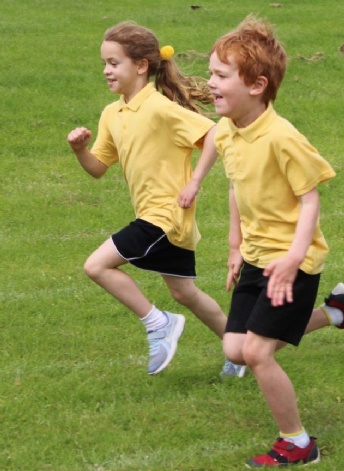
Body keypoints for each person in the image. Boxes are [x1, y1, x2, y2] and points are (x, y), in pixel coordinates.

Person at [208, 15, 344, 467]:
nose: (210, 83)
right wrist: (233, 245)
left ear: (257, 85)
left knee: (258, 353)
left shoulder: (283, 138)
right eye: (211, 73)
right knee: (234, 347)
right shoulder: (227, 131)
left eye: (221, 76)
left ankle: (298, 443)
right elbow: (235, 187)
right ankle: (337, 313)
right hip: (255, 256)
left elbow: (309, 199)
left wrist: (294, 257)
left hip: (291, 262)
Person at [67, 21, 245, 377]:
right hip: (158, 218)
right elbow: (99, 167)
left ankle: (157, 323)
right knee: (185, 293)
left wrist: (195, 181)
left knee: (96, 265)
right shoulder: (112, 113)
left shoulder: (160, 109)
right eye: (104, 63)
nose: (106, 70)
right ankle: (240, 353)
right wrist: (80, 150)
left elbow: (214, 134)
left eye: (114, 63)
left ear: (141, 66)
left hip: (165, 216)